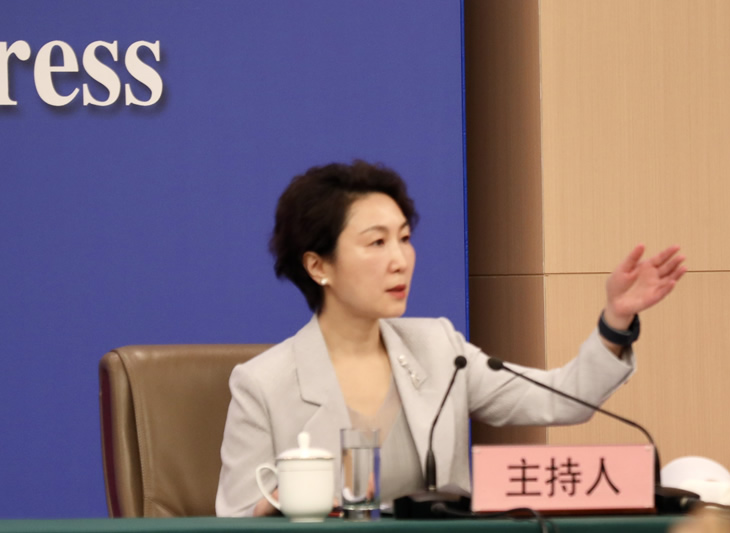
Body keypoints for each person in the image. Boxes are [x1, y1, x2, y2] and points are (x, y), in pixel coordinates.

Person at [215, 160, 687, 517]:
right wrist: (283, 502)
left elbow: (562, 400)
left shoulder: (439, 349)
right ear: (318, 265)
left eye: (404, 238)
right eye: (377, 242)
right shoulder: (264, 384)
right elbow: (233, 519)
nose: (400, 260)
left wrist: (615, 319)